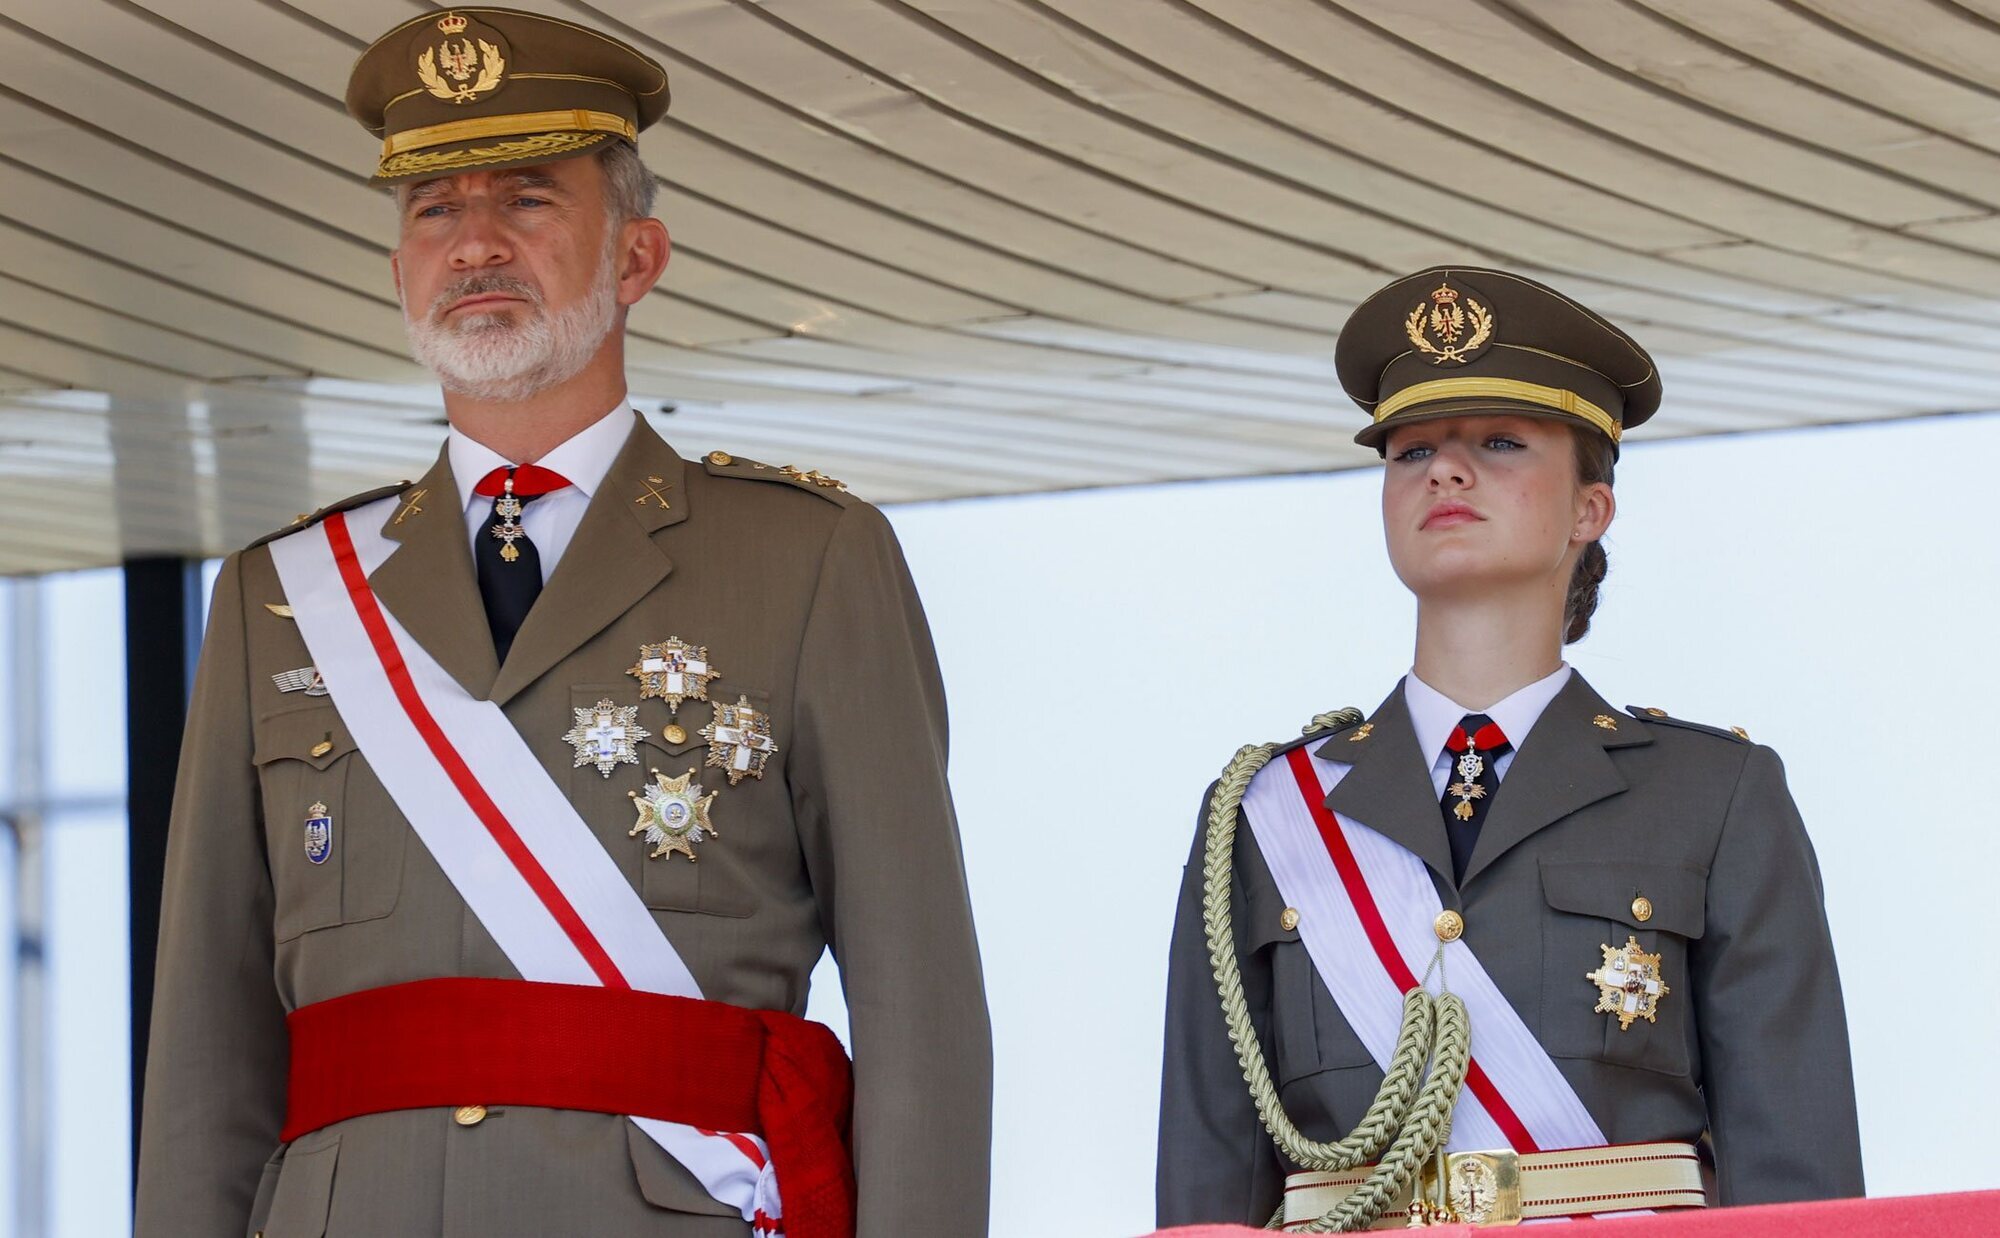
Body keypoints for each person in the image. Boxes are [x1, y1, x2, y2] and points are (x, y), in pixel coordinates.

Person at [134, 9, 990, 1237]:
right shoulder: (280, 599)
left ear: (636, 257)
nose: (474, 242)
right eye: (433, 211)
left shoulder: (807, 560)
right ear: (397, 271)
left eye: (528, 200)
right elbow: (205, 1057)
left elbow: (922, 1012)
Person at [1156, 266, 1863, 1229]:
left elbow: (1796, 1173)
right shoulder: (1267, 811)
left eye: (1498, 443)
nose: (1444, 472)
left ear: (1589, 510)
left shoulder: (1717, 794)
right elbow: (1210, 1176)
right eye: (1410, 453)